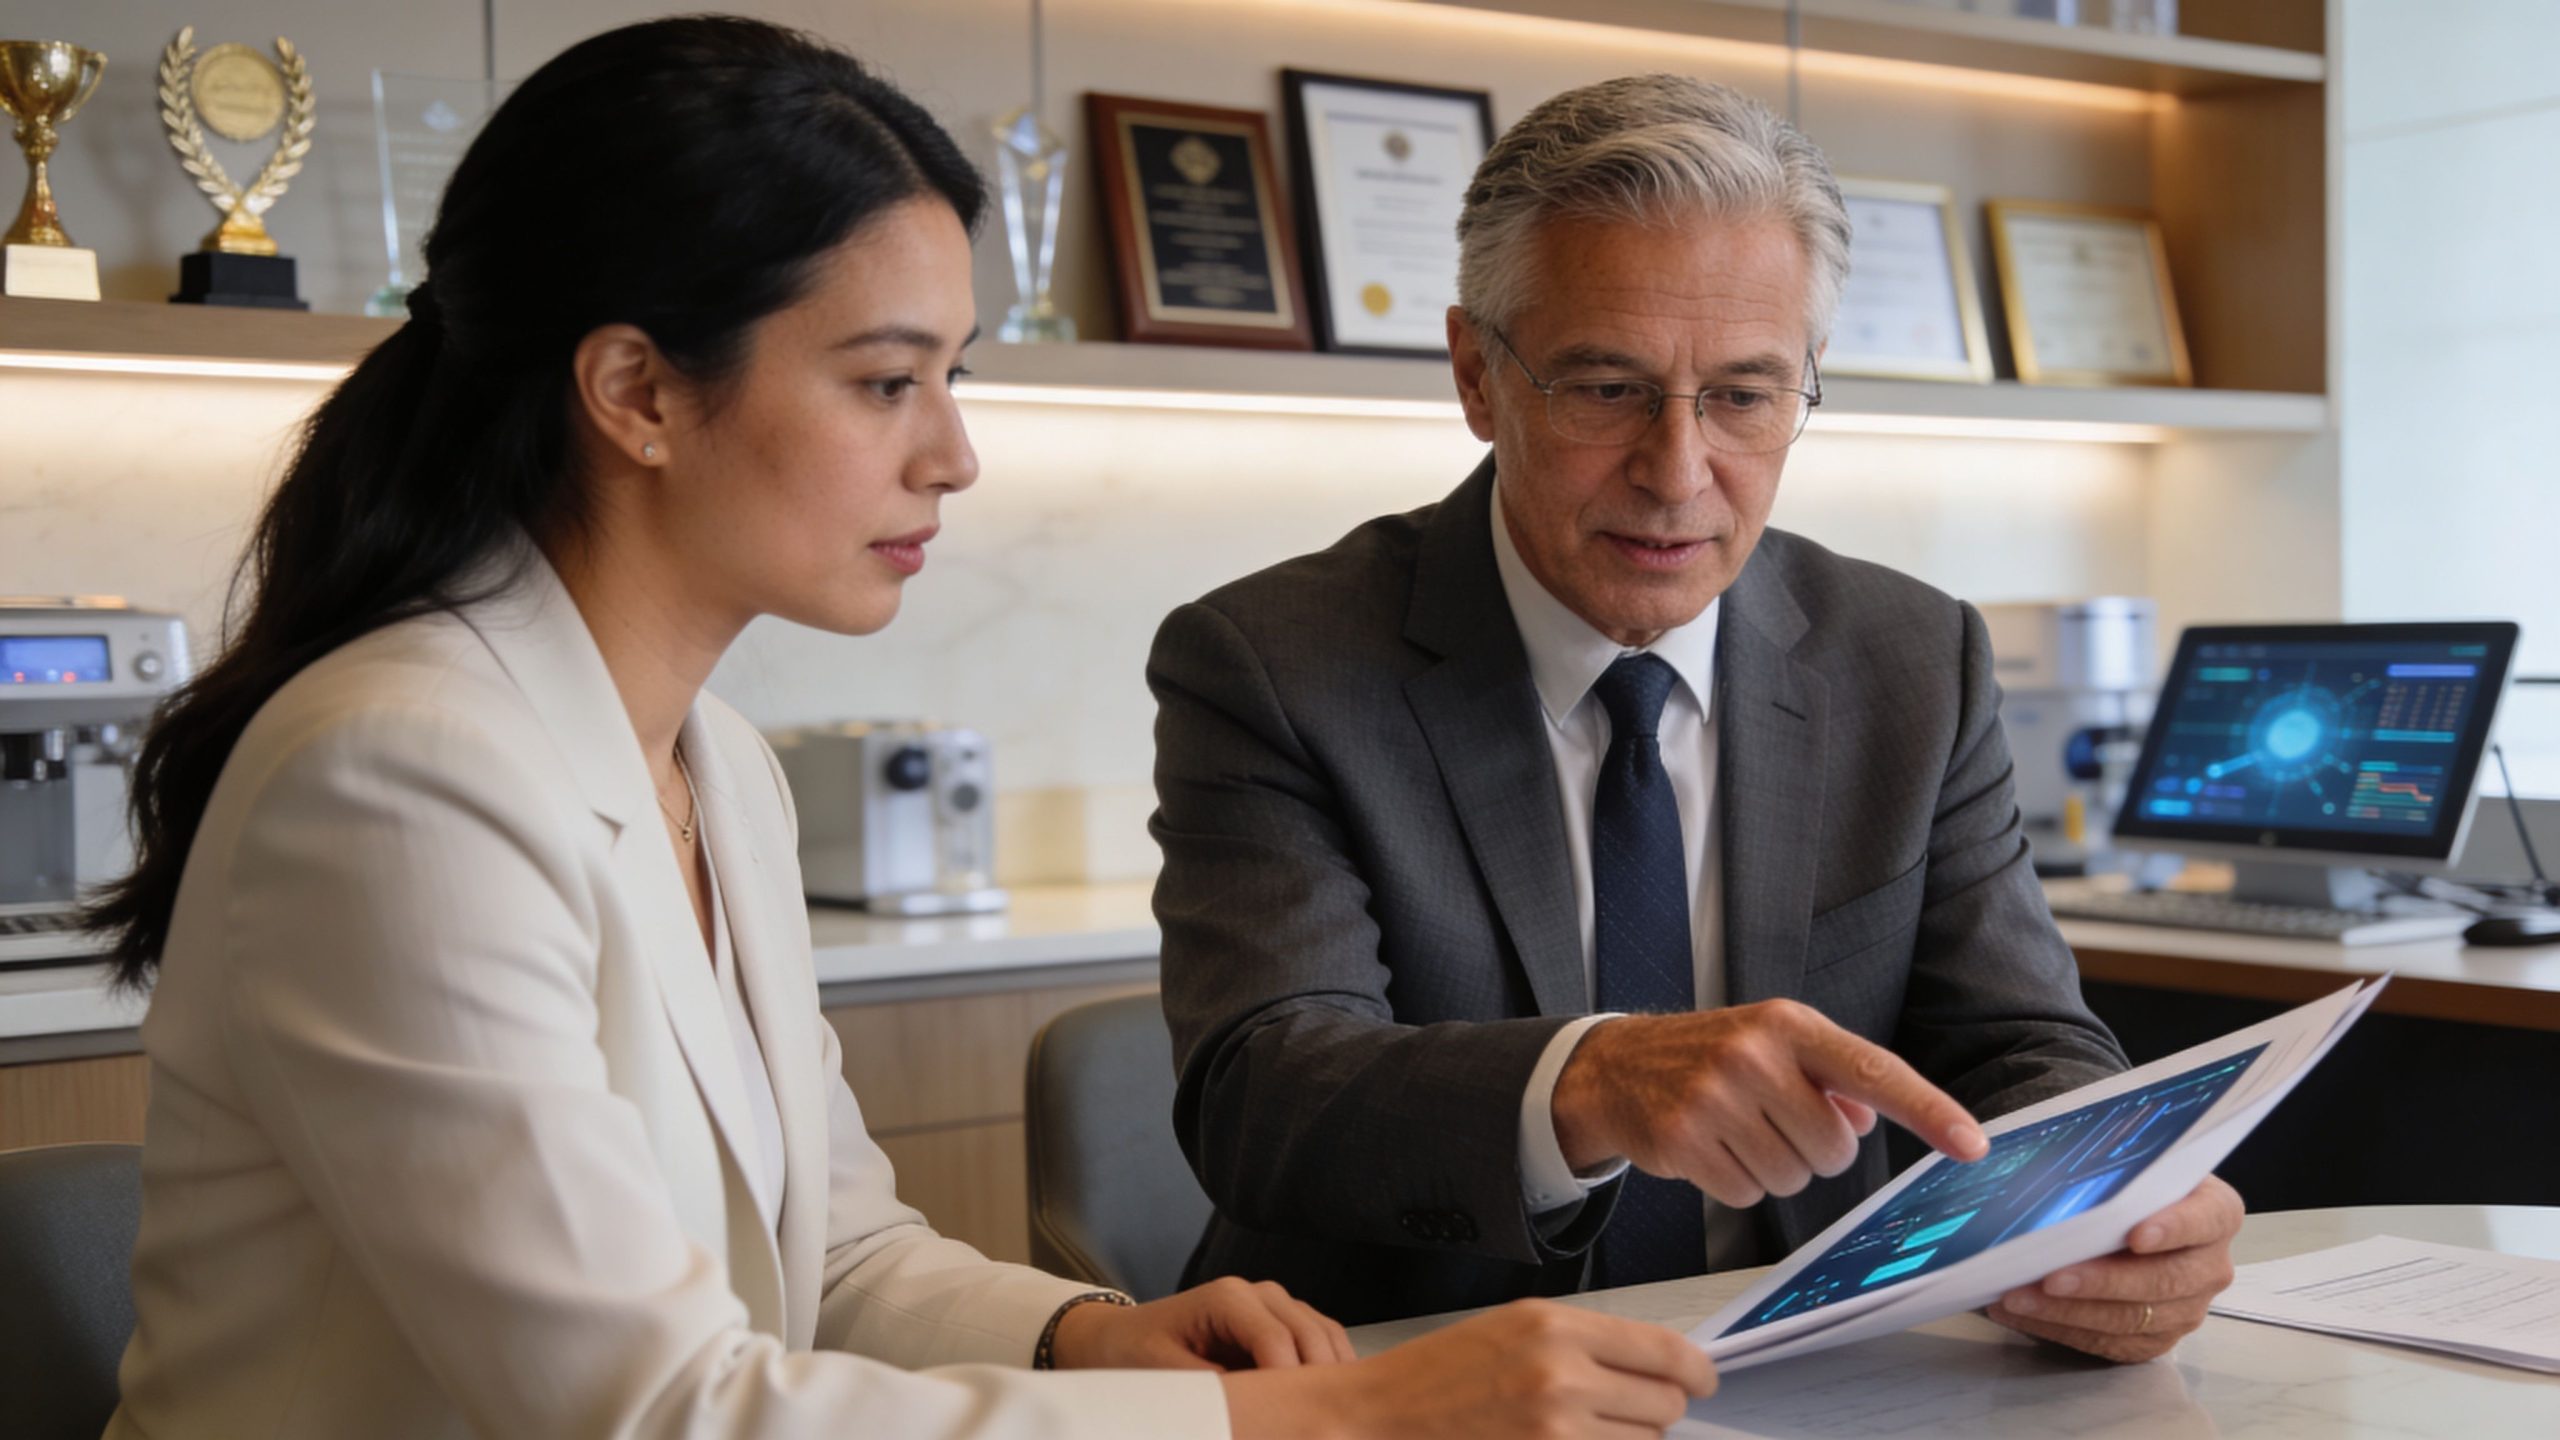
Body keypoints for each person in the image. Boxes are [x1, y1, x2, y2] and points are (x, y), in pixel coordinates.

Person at [86, 19, 1715, 1439]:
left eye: (954, 376)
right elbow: (649, 1409)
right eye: (886, 383)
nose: (954, 456)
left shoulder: (712, 763)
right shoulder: (395, 777)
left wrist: (1084, 1336)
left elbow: (837, 1256)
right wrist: (1327, 1414)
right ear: (638, 393)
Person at [1149, 73, 2243, 1355]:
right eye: (1605, 389)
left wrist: (2105, 1200)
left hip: (1825, 1373)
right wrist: (1592, 1081)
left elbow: (2019, 1043)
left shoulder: (1910, 656)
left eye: (1742, 395)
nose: (1678, 474)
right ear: (1475, 375)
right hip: (1426, 1377)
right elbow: (1263, 1096)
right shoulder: (1273, 661)